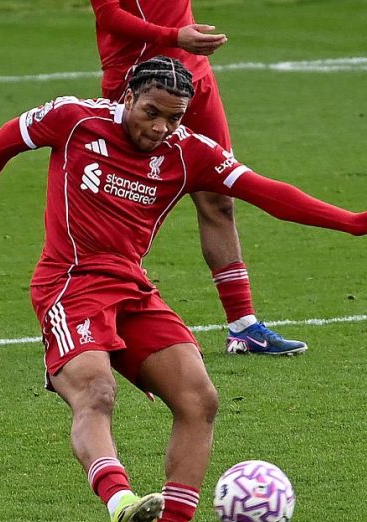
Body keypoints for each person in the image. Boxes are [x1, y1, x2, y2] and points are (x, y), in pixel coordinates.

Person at [0, 57, 367, 522]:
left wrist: (353, 221)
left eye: (173, 117)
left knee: (199, 398)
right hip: (69, 283)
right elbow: (3, 142)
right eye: (151, 112)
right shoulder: (75, 119)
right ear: (128, 96)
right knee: (96, 391)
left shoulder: (189, 152)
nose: (160, 127)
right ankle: (120, 504)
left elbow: (269, 194)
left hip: (133, 289)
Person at [89, 0, 308, 355]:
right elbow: (109, 15)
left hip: (194, 79)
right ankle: (96, 311)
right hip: (139, 85)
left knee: (220, 199)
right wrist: (174, 36)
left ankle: (243, 326)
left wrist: (183, 41)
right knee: (123, 203)